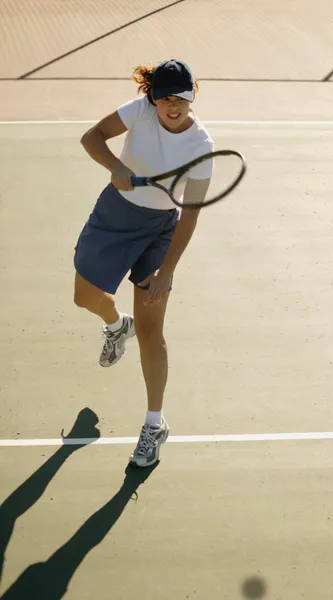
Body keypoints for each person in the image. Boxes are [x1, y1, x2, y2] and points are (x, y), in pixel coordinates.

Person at [73, 59, 214, 467]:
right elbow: (92, 136)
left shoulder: (201, 149)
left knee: (153, 329)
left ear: (193, 97)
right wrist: (115, 166)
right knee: (84, 297)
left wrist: (167, 271)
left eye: (180, 99)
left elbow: (190, 213)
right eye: (165, 98)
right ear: (154, 98)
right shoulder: (140, 112)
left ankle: (154, 424)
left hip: (159, 230)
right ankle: (117, 327)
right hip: (115, 213)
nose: (172, 106)